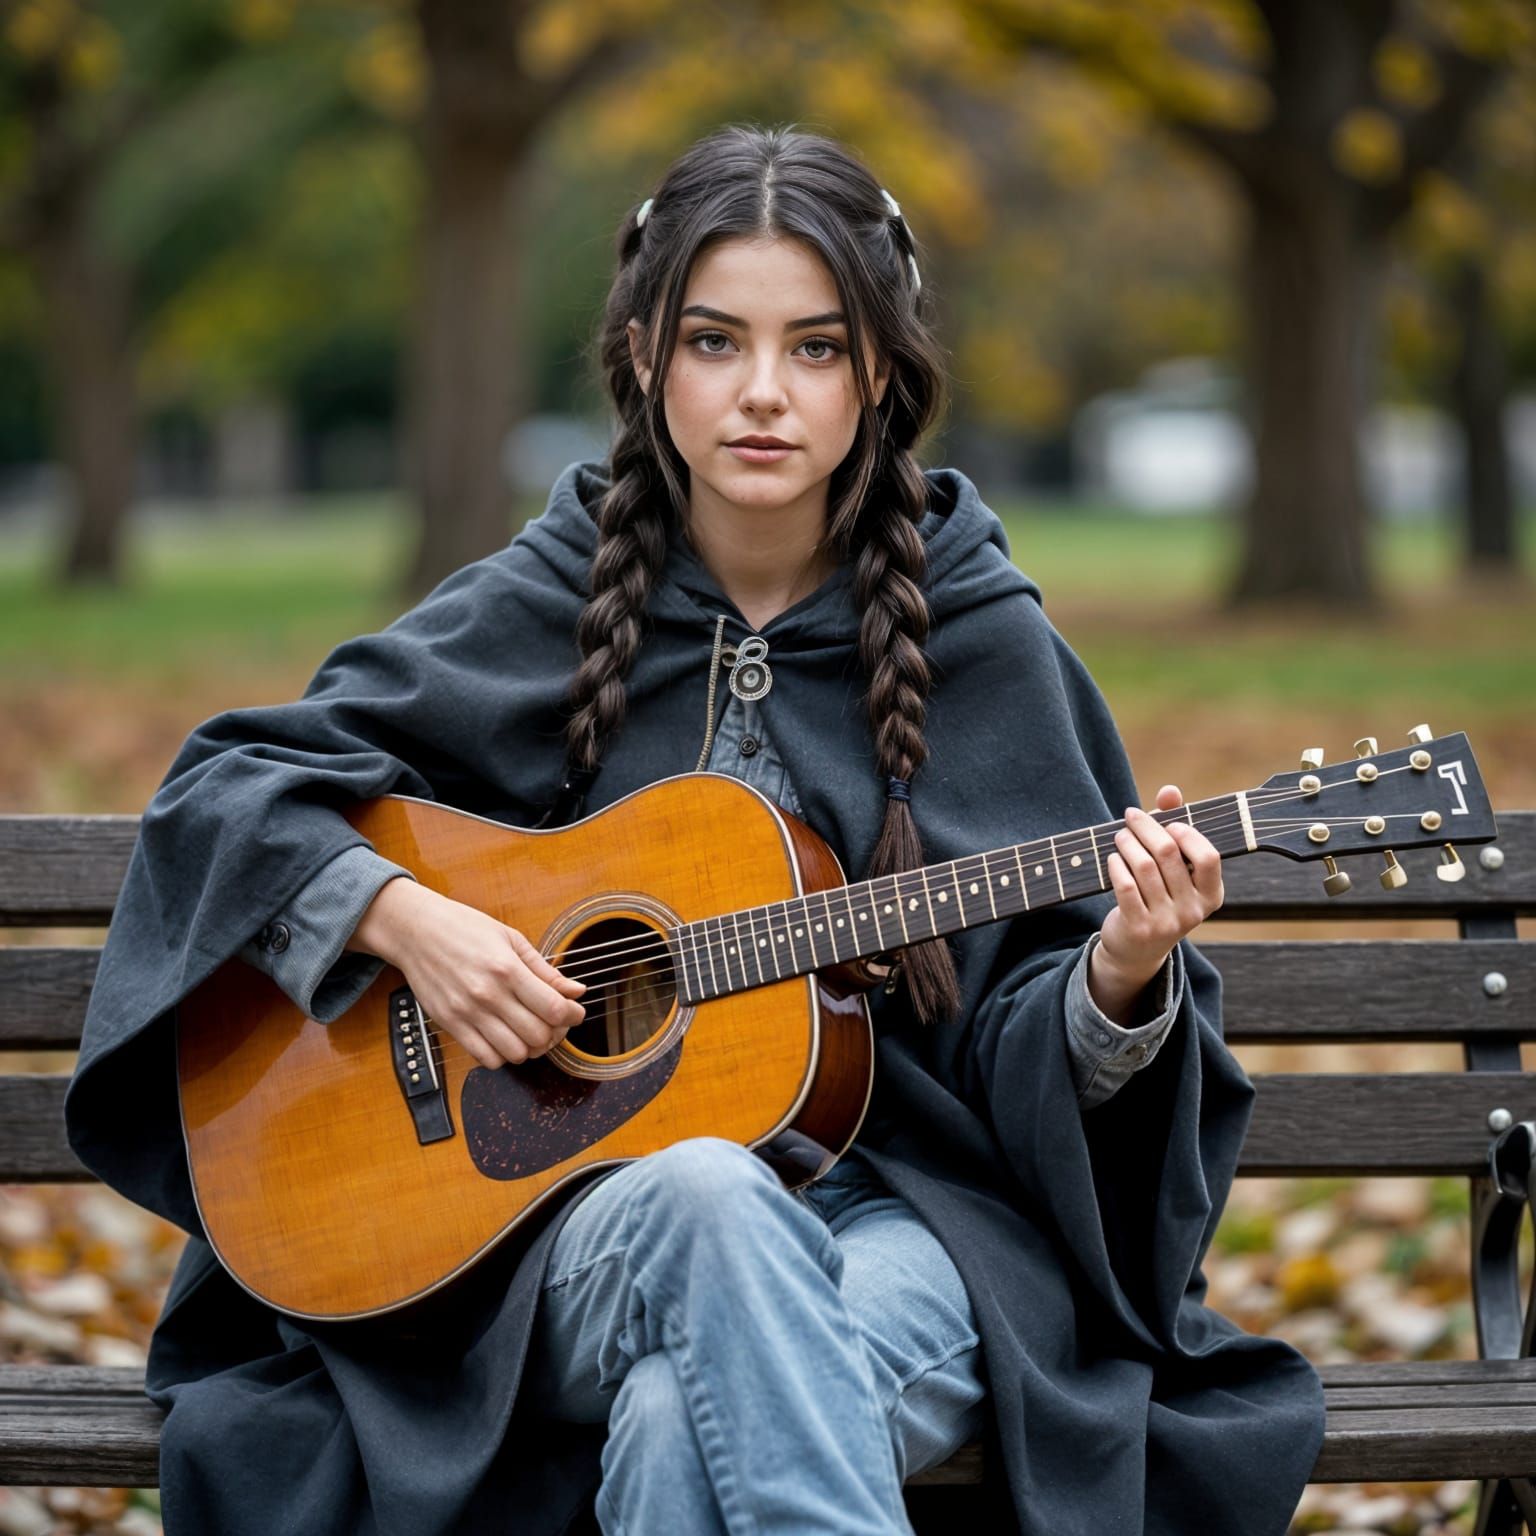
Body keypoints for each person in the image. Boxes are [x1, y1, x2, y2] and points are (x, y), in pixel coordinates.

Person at [65, 124, 1326, 1534]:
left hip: (913, 1229)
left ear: (884, 375)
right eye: (718, 343)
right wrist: (404, 921)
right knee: (711, 1195)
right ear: (647, 358)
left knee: (683, 1418)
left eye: (818, 349)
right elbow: (226, 790)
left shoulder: (981, 637)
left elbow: (1032, 1055)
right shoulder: (547, 595)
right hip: (549, 1251)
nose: (764, 395)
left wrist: (1118, 979)